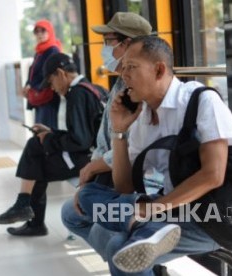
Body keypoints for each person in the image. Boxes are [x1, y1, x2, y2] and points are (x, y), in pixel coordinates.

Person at [77, 35, 232, 275]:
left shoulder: (201, 100)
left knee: (118, 246)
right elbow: (125, 187)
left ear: (159, 69)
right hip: (170, 210)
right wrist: (120, 130)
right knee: (87, 195)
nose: (123, 74)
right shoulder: (143, 117)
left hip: (213, 215)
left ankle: (145, 229)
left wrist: (153, 209)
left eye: (131, 67)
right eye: (124, 68)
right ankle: (143, 227)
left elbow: (213, 176)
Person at [61, 12, 154, 266]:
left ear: (127, 45)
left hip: (140, 183)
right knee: (71, 214)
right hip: (113, 175)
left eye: (108, 40)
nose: (104, 48)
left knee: (108, 238)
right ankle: (134, 263)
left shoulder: (142, 88)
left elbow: (137, 148)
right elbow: (108, 140)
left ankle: (132, 260)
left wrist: (92, 168)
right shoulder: (120, 83)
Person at [0, 53, 104, 236]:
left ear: (61, 73)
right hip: (94, 154)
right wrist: (51, 133)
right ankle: (26, 209)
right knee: (36, 149)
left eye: (51, 82)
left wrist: (50, 138)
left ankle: (28, 213)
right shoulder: (92, 88)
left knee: (37, 164)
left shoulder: (77, 95)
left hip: (89, 160)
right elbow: (85, 134)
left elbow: (80, 141)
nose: (52, 88)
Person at [22, 19, 62, 129]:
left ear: (50, 31)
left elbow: (49, 73)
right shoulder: (40, 51)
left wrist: (32, 85)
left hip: (47, 96)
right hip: (39, 95)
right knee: (39, 130)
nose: (39, 34)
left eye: (43, 31)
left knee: (46, 131)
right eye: (37, 31)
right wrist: (27, 85)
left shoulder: (53, 50)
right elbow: (33, 71)